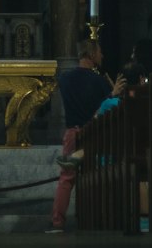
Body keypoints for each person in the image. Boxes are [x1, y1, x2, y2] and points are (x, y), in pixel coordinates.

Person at [47, 39, 125, 233]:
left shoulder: (64, 79)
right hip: (95, 133)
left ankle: (57, 221)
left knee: (66, 178)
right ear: (91, 55)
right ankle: (101, 219)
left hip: (72, 132)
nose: (102, 56)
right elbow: (104, 109)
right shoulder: (98, 81)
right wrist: (113, 93)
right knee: (100, 174)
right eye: (99, 52)